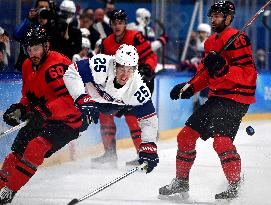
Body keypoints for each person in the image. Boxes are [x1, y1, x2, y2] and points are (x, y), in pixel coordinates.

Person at [159, 1, 257, 201]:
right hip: (217, 98)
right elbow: (205, 72)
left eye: (218, 15)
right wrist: (191, 86)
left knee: (221, 142)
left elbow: (249, 74)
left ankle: (235, 185)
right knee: (185, 137)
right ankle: (181, 182)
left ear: (229, 18)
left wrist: (224, 69)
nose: (213, 19)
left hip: (236, 98)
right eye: (212, 15)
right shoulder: (210, 42)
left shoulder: (238, 39)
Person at [0, 26, 83, 204]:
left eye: (36, 48)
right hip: (43, 116)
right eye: (28, 49)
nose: (32, 53)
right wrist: (20, 108)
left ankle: (8, 192)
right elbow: (29, 96)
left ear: (46, 46)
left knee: (35, 148)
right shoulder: (27, 65)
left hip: (67, 122)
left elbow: (70, 100)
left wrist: (43, 111)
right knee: (16, 153)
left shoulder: (57, 66)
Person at [63, 44, 159, 172]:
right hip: (90, 97)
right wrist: (81, 97)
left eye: (130, 70)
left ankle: (128, 151)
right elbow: (72, 72)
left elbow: (149, 120)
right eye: (122, 69)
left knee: (131, 118)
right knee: (75, 122)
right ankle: (109, 152)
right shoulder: (101, 65)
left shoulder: (138, 87)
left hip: (113, 106)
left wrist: (149, 145)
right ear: (115, 65)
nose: (125, 75)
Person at [93, 9, 158, 167]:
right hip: (119, 85)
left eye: (120, 23)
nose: (117, 26)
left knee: (131, 116)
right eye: (114, 23)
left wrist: (147, 68)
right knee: (105, 113)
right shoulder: (107, 42)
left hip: (138, 83)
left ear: (125, 24)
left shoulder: (135, 37)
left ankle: (142, 156)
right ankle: (109, 153)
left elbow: (151, 56)